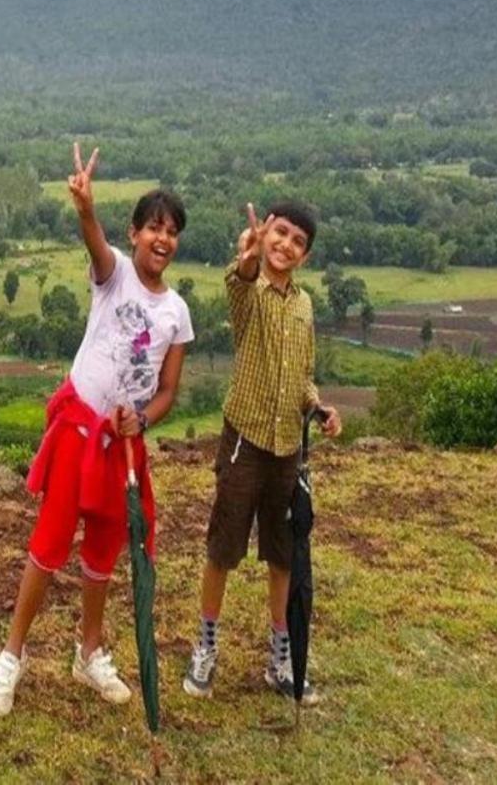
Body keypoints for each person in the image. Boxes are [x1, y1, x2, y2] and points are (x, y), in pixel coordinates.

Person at [0, 142, 194, 717]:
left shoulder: (177, 311)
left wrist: (142, 419)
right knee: (49, 544)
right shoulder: (115, 275)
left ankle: (89, 652)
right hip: (80, 426)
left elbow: (169, 391)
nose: (163, 238)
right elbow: (93, 243)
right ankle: (11, 655)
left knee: (103, 550)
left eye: (172, 231)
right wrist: (84, 206)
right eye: (154, 227)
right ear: (134, 233)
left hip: (123, 443)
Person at [182, 200, 341, 702]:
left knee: (283, 554)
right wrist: (248, 257)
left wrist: (318, 408)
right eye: (280, 233)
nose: (286, 245)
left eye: (298, 241)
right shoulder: (248, 292)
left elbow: (303, 376)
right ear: (263, 233)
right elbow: (239, 279)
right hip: (245, 441)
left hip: (287, 449)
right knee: (224, 547)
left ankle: (281, 656)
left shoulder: (304, 306)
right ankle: (205, 646)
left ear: (306, 256)